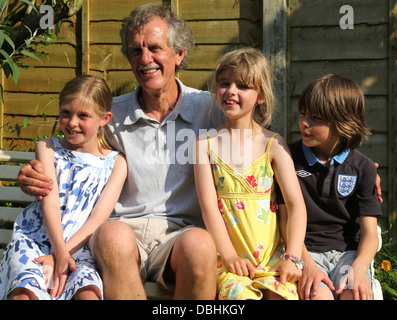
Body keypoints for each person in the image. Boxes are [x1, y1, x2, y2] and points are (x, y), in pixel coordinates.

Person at [17, 3, 222, 299]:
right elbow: (66, 155)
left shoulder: (210, 110)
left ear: (180, 53)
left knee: (201, 245)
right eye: (135, 51)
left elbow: (251, 150)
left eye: (154, 48)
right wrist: (31, 175)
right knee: (113, 237)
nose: (145, 59)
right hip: (121, 234)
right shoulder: (110, 114)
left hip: (181, 236)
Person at [0, 75, 128, 300]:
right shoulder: (48, 148)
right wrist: (57, 251)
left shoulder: (116, 164)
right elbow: (50, 202)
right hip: (36, 242)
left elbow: (97, 219)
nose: (72, 122)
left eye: (83, 115)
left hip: (80, 249)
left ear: (104, 118)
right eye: (66, 113)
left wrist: (64, 253)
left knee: (88, 295)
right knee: (23, 295)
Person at [194, 48, 307, 300]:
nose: (231, 91)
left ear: (261, 97)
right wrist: (229, 256)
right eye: (225, 84)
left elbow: (296, 204)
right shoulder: (204, 144)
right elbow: (209, 207)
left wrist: (294, 258)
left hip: (273, 260)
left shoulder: (274, 145)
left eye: (243, 86)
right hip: (229, 262)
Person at [279, 74, 382, 300]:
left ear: (343, 122)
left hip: (349, 254)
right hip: (306, 251)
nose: (305, 123)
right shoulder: (286, 158)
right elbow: (284, 220)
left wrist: (360, 268)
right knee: (318, 296)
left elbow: (370, 233)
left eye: (316, 118)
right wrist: (306, 264)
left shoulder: (362, 167)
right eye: (303, 114)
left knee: (355, 295)